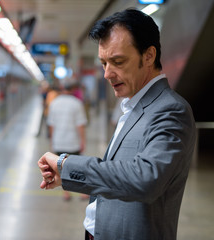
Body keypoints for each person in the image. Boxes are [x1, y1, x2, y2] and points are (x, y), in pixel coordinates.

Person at [37, 9, 196, 240]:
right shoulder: (133, 107)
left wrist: (66, 164)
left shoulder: (170, 110)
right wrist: (68, 178)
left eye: (118, 61)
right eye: (103, 63)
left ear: (149, 56)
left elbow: (146, 178)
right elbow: (120, 173)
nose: (107, 74)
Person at [47, 77, 88, 201]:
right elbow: (80, 125)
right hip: (73, 142)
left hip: (58, 142)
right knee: (77, 167)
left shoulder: (54, 103)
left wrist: (52, 141)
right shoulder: (77, 103)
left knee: (61, 169)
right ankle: (82, 192)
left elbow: (51, 125)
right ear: (73, 89)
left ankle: (66, 193)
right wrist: (83, 140)